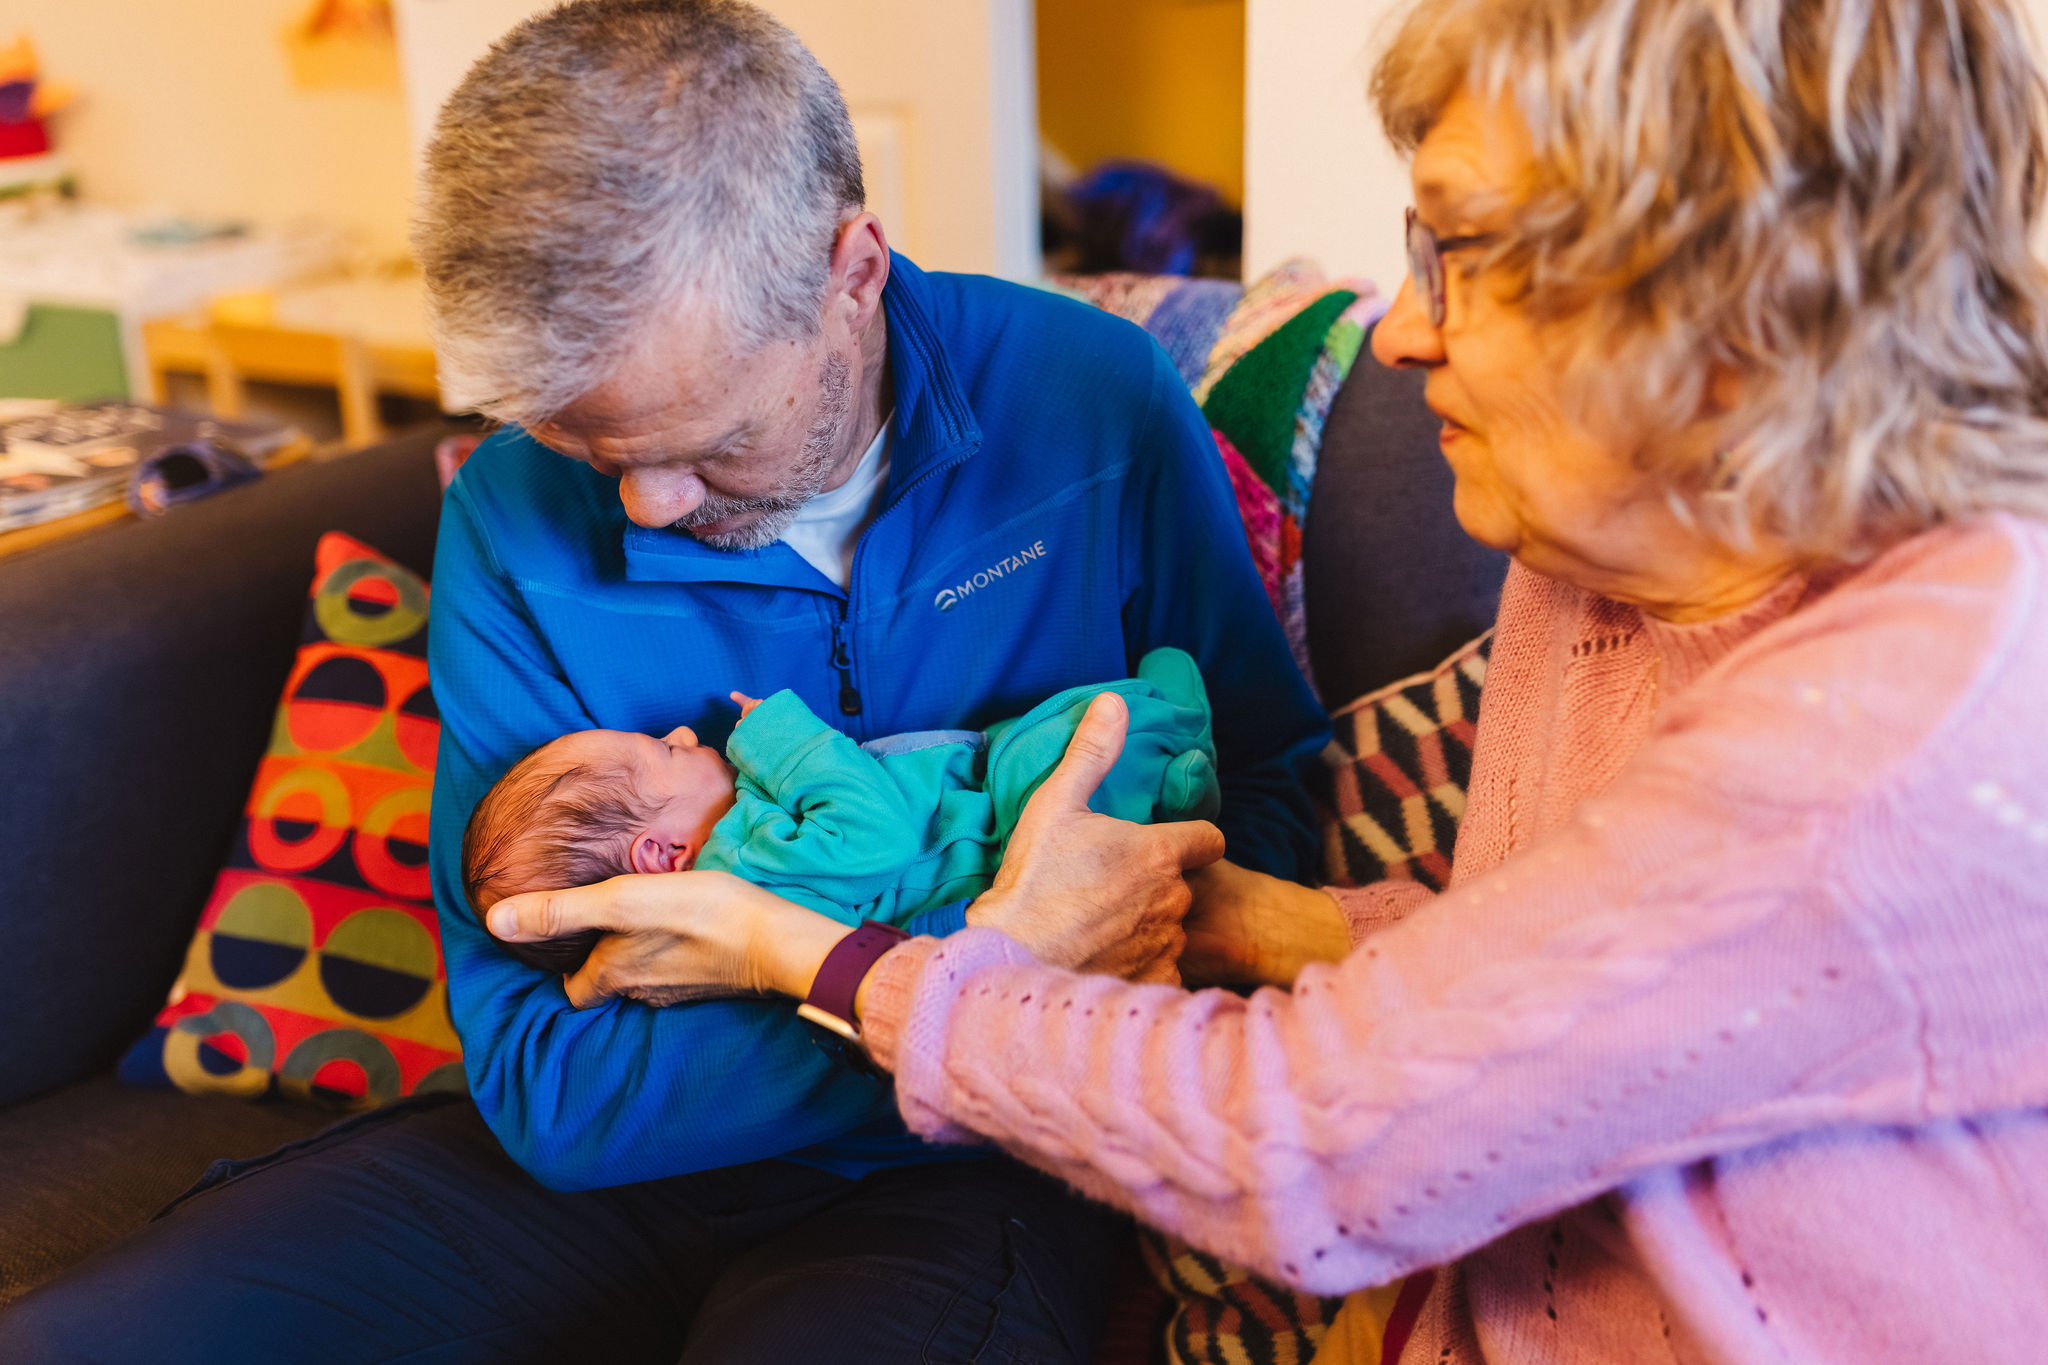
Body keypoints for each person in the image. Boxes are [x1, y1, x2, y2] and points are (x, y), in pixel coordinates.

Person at [484, 0, 2048, 1360]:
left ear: (1739, 292)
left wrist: (795, 948)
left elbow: (1302, 1143)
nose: (1408, 330)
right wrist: (1204, 914)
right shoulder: (1590, 562)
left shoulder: (1893, 741)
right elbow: (1545, 983)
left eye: (1464, 250)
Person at [0, 2, 1325, 1362]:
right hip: (603, 1180)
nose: (644, 498)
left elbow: (1268, 798)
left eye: (707, 441)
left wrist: (1015, 1025)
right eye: (586, 441)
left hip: (969, 1173)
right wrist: (995, 977)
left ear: (852, 270)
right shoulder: (513, 516)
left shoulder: (1087, 399)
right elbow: (550, 1085)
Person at [464, 647, 1219, 975]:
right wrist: (780, 741)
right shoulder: (744, 864)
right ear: (663, 856)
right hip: (999, 831)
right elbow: (877, 832)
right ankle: (1176, 747)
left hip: (978, 813)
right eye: (661, 752)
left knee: (1044, 738)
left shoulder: (747, 859)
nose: (683, 733)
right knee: (1051, 750)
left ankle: (1170, 770)